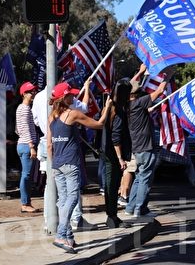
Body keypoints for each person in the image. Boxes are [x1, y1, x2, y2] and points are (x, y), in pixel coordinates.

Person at [47, 81, 111, 253]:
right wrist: (107, 107)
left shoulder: (52, 116)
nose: (74, 97)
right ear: (64, 97)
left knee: (63, 200)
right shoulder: (72, 114)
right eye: (71, 95)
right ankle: (61, 234)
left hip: (57, 164)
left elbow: (48, 145)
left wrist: (54, 164)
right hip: (70, 163)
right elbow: (99, 124)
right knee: (72, 198)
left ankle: (68, 236)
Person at [32, 78, 93, 231]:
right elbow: (84, 108)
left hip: (47, 143)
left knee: (50, 186)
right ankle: (74, 219)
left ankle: (49, 221)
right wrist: (86, 88)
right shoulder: (65, 102)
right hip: (63, 145)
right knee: (72, 186)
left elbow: (36, 120)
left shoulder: (38, 97)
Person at [124, 64, 169, 218]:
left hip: (137, 147)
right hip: (145, 146)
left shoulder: (127, 105)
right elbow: (160, 91)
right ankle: (140, 209)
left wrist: (141, 72)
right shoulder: (139, 103)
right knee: (145, 178)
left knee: (139, 177)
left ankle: (131, 207)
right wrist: (168, 76)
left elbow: (127, 87)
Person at [95, 78, 132, 228]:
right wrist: (120, 158)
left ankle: (112, 216)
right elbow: (116, 137)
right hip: (112, 154)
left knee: (111, 185)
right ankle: (112, 217)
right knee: (112, 185)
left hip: (106, 151)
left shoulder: (108, 108)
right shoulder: (118, 112)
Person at [16, 81, 38, 213]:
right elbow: (24, 129)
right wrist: (31, 146)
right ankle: (25, 203)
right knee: (26, 175)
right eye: (30, 91)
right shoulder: (24, 109)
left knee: (27, 175)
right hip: (26, 145)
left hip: (23, 144)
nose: (33, 93)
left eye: (33, 91)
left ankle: (26, 202)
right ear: (24, 94)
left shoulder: (24, 108)